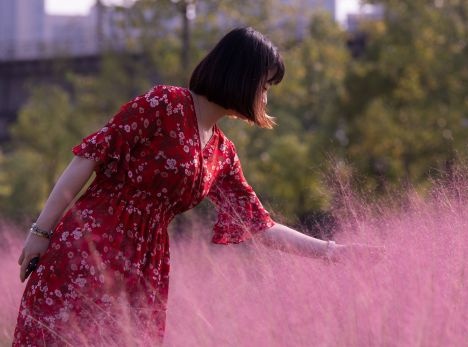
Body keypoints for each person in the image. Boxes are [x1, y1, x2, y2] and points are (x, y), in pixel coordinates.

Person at [12, 27, 385, 346]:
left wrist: (333, 252)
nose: (266, 97)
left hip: (146, 265)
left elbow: (260, 226)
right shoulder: (163, 104)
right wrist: (41, 231)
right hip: (92, 245)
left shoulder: (222, 153)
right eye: (265, 85)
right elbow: (88, 157)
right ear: (242, 76)